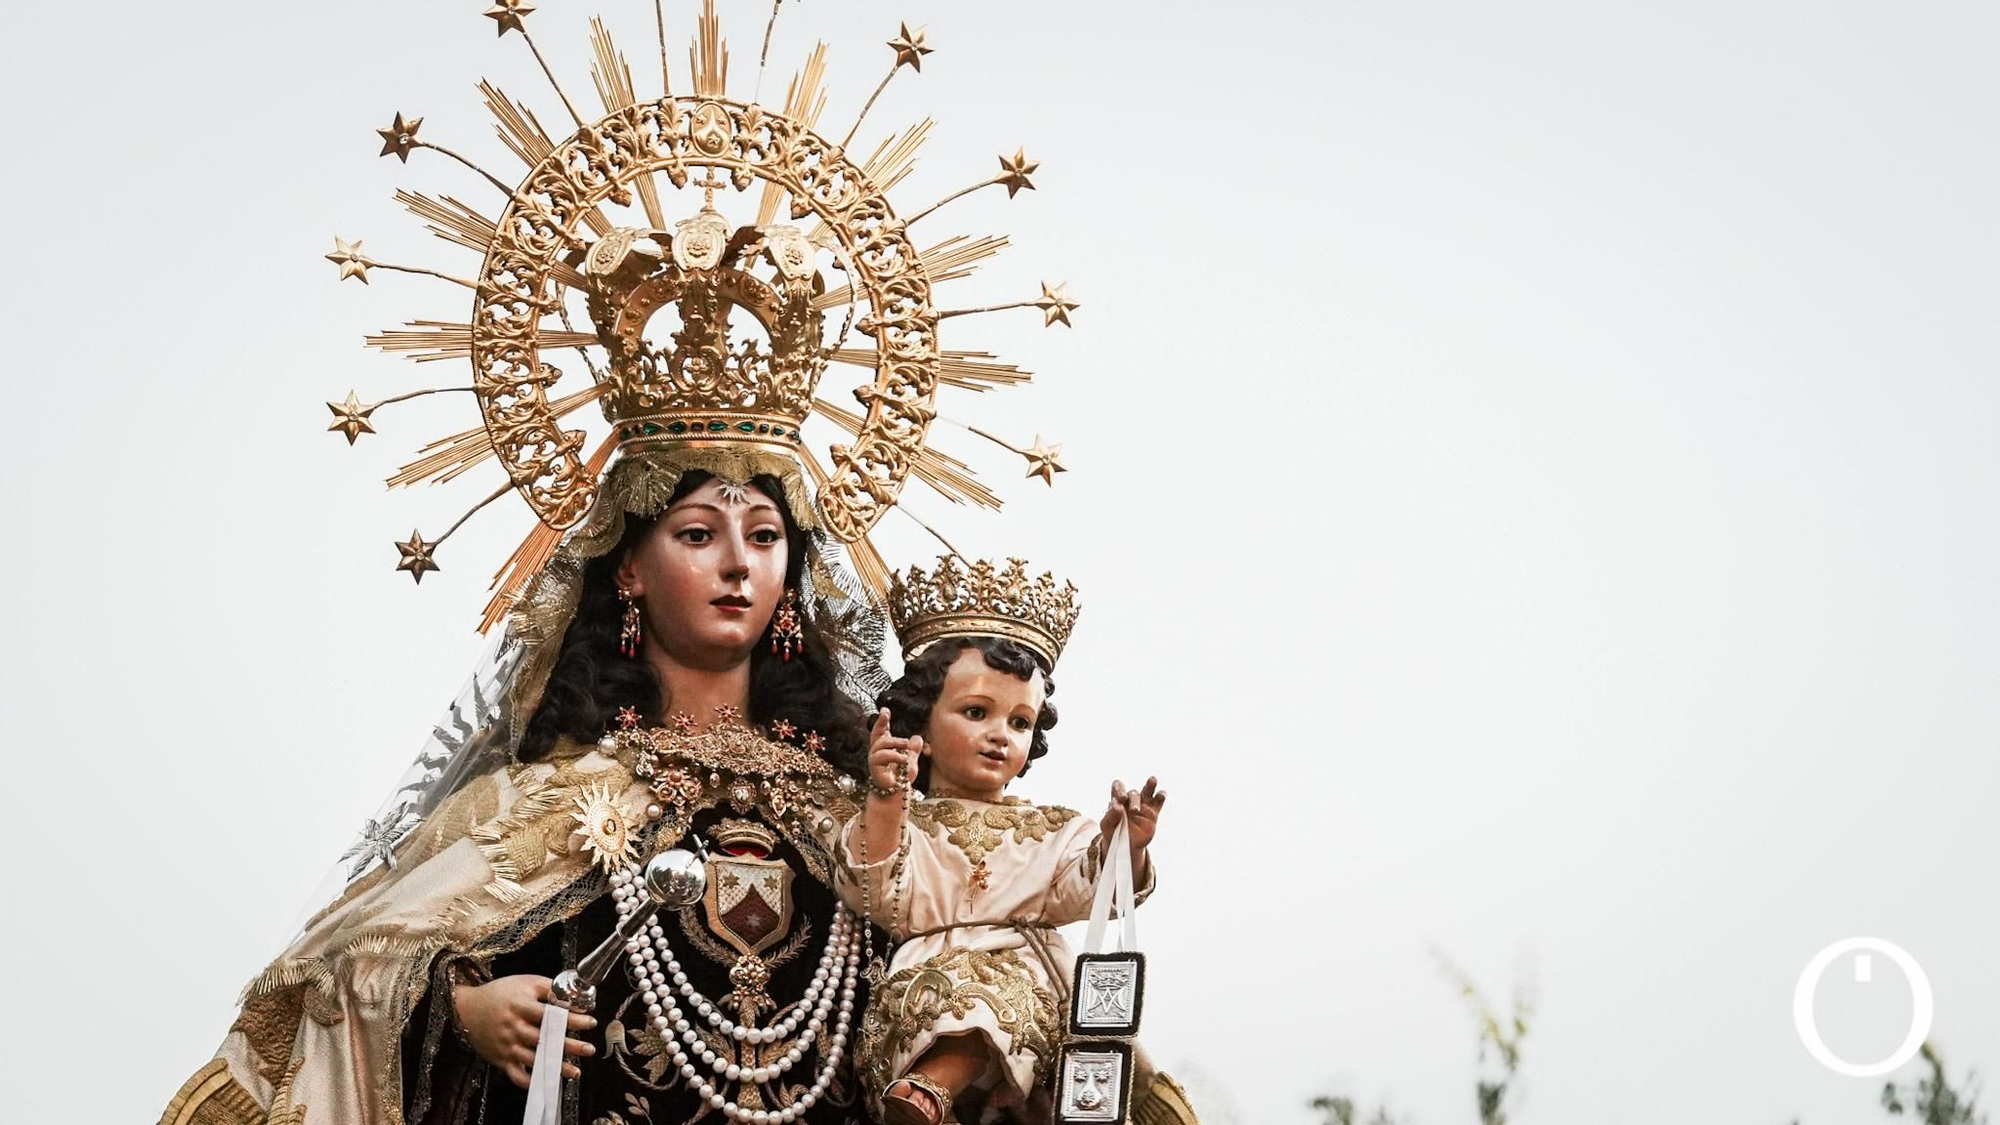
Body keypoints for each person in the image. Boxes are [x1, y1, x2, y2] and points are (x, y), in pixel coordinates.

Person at [835, 557, 1167, 1125]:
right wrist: (886, 799)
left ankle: (941, 1091)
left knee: (1004, 993)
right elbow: (876, 892)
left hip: (1033, 995)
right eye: (975, 712)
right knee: (964, 995)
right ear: (923, 729)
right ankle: (932, 1086)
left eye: (1019, 722)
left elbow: (1089, 892)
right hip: (926, 984)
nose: (1000, 735)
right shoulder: (905, 821)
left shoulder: (1054, 828)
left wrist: (1125, 846)